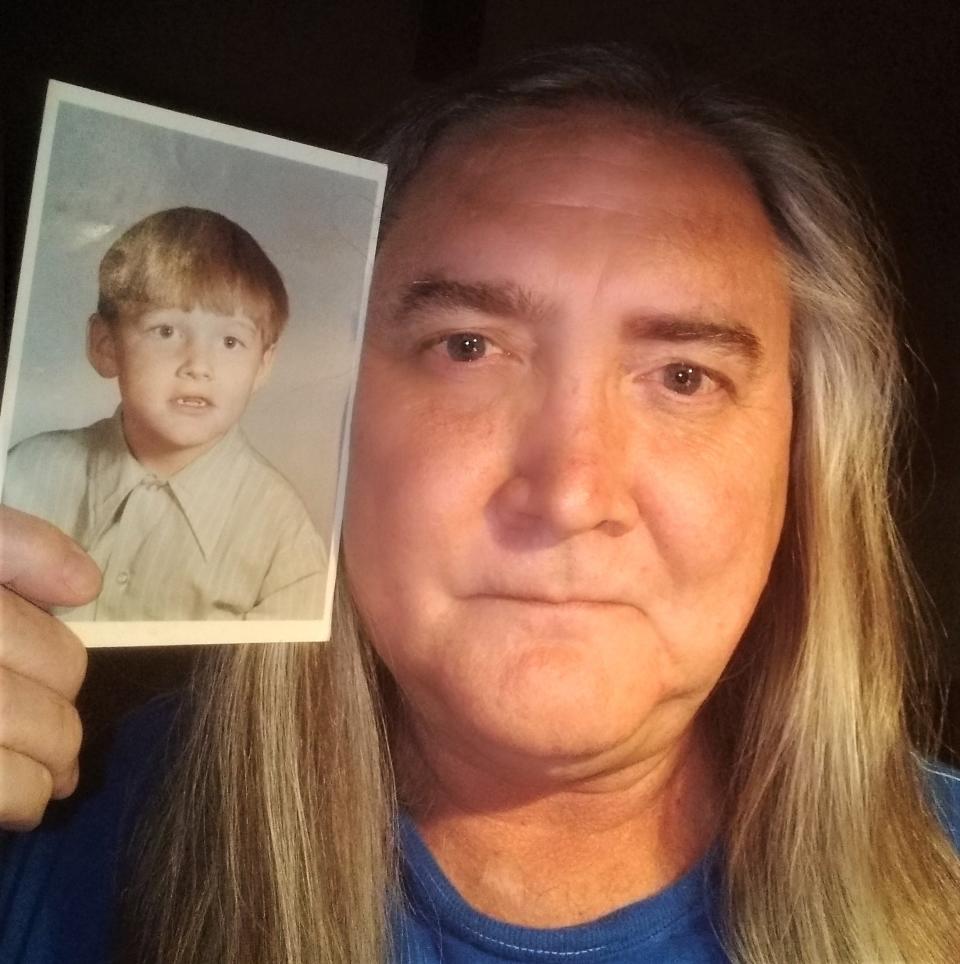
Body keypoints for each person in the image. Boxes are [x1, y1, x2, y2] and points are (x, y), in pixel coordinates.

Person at [2, 44, 959, 964]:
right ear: (326, 412)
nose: (573, 494)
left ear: (802, 464)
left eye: (682, 375)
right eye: (468, 348)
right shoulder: (66, 841)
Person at [2, 207, 326, 621]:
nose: (198, 365)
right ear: (105, 345)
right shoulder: (24, 471)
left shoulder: (284, 535)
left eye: (229, 341)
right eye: (167, 331)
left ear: (262, 365)